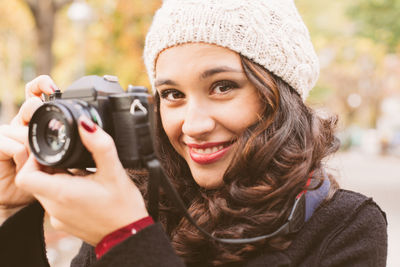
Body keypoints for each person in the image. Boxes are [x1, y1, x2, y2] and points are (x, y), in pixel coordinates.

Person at [0, 0, 387, 266]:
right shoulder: (135, 198)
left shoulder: (345, 225)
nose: (194, 125)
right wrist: (15, 214)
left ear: (280, 96)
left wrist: (128, 238)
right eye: (172, 94)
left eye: (222, 86)